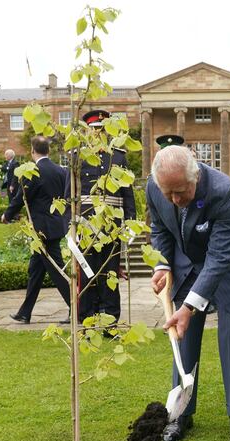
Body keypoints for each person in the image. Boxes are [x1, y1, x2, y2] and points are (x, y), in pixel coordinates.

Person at [146, 146, 230, 441]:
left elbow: (218, 259)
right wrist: (162, 263)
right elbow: (159, 228)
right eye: (168, 192)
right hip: (188, 265)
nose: (175, 199)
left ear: (195, 176)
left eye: (181, 191)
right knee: (184, 338)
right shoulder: (153, 186)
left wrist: (188, 307)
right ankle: (181, 415)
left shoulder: (224, 192)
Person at [2, 136, 72, 324]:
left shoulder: (34, 171)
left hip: (42, 229)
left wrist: (7, 215)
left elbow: (21, 197)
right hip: (55, 225)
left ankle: (77, 307)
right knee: (36, 271)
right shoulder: (61, 170)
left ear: (33, 151)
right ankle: (25, 312)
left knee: (56, 270)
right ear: (48, 150)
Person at [76, 109, 137, 324]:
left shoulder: (118, 156)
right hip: (85, 227)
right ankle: (87, 322)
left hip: (112, 228)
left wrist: (129, 223)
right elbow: (70, 193)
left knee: (110, 276)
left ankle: (110, 323)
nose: (98, 133)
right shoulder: (79, 156)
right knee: (87, 276)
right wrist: (71, 225)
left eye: (101, 129)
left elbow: (127, 193)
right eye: (94, 130)